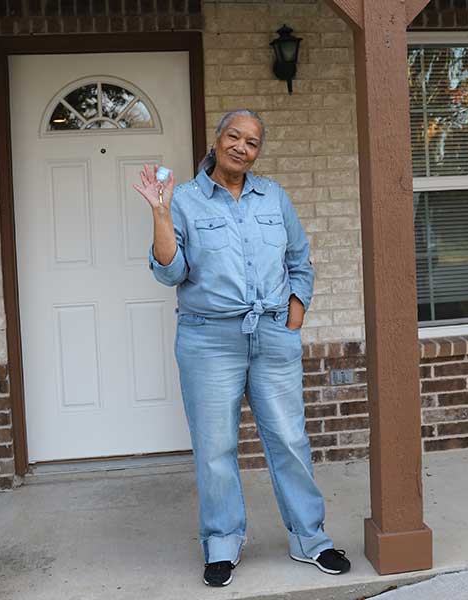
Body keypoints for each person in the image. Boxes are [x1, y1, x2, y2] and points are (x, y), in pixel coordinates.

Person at [133, 109, 350, 587]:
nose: (241, 147)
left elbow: (300, 261)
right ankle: (222, 544)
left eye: (252, 142)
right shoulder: (185, 199)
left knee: (290, 439)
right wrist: (161, 212)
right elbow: (170, 271)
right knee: (216, 447)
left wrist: (293, 319)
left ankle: (310, 538)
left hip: (272, 334)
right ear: (217, 139)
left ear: (257, 152)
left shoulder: (274, 197)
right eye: (234, 136)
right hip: (208, 340)